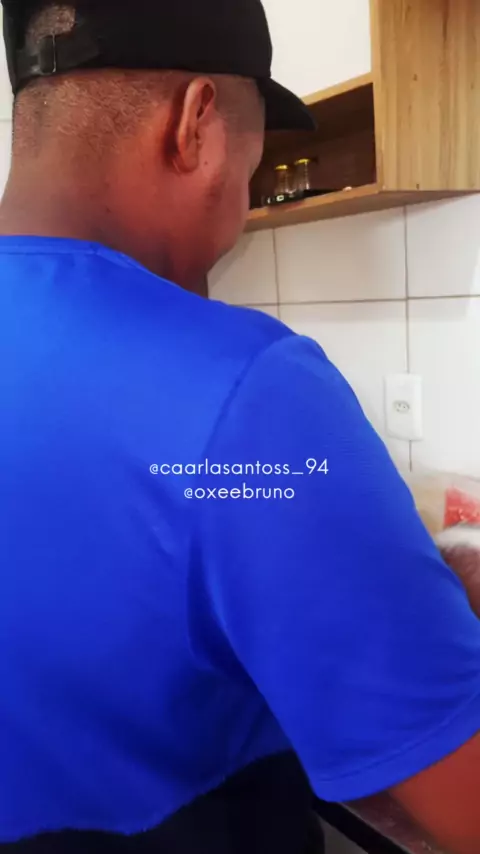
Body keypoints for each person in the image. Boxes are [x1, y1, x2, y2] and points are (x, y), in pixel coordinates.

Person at [0, 1, 478, 853]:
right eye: (254, 169)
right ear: (195, 125)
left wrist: (397, 592)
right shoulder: (248, 391)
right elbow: (465, 804)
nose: (244, 209)